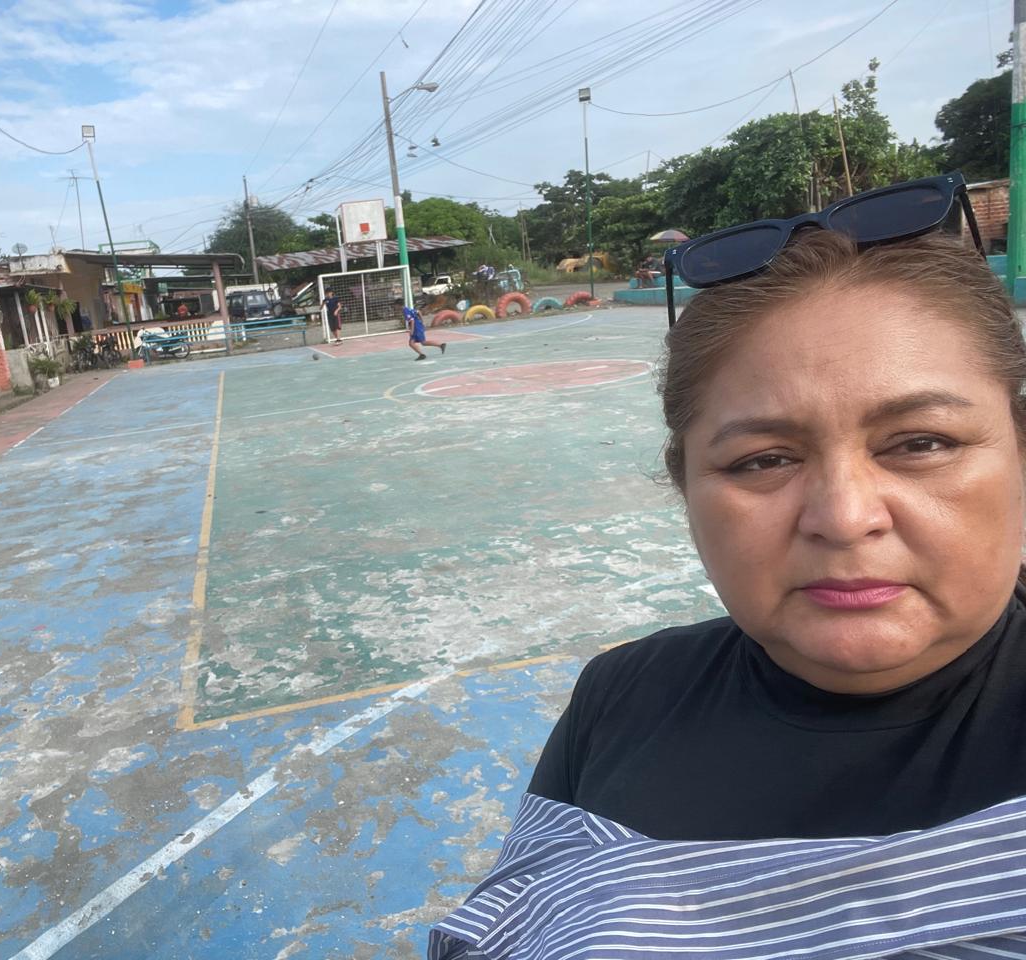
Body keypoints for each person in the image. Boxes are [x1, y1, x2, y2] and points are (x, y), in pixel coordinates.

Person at [430, 173, 1026, 957]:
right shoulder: (621, 700)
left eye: (921, 443)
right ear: (686, 490)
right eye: (764, 460)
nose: (845, 517)